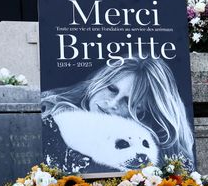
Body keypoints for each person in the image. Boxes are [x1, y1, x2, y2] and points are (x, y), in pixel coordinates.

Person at [41, 57, 193, 172]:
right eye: (112, 89)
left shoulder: (143, 147)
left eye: (128, 102)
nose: (112, 103)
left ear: (142, 113)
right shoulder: (51, 117)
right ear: (99, 81)